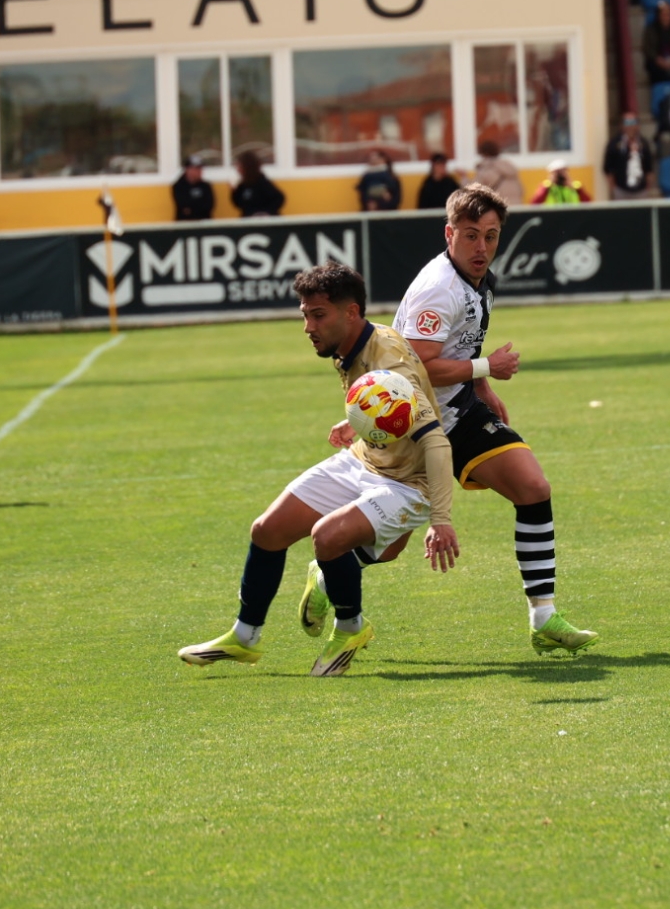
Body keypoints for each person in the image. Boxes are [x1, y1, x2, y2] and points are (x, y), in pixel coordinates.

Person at [178, 262, 461, 676]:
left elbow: (434, 439)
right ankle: (245, 636)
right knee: (267, 530)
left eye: (318, 315)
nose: (308, 327)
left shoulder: (388, 360)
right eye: (305, 315)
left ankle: (350, 628)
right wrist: (358, 421)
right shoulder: (348, 344)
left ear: (351, 312)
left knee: (327, 538)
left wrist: (441, 520)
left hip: (409, 483)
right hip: (365, 459)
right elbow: (390, 404)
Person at [386, 186, 597, 654]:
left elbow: (464, 341)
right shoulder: (438, 289)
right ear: (449, 234)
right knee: (387, 545)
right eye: (470, 235)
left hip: (459, 409)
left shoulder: (481, 279)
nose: (481, 247)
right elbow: (417, 368)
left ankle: (543, 618)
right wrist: (487, 369)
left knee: (533, 488)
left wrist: (482, 387)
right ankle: (329, 571)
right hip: (415, 422)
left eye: (491, 236)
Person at [603, 114, 654, 200]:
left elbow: (649, 169)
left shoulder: (644, 144)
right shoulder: (614, 144)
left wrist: (648, 187)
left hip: (641, 191)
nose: (630, 126)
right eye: (627, 123)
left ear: (637, 125)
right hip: (621, 190)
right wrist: (614, 188)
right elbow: (608, 169)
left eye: (632, 122)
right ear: (621, 125)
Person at [231, 150, 285, 216]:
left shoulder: (262, 183)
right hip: (248, 220)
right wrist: (233, 192)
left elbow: (279, 198)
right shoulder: (243, 185)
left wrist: (265, 213)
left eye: (239, 166)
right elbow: (239, 204)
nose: (238, 169)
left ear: (247, 167)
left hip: (264, 220)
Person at [474, 140, 524, 206]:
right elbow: (521, 190)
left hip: (500, 207)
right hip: (517, 206)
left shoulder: (486, 170)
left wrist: (464, 178)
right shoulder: (509, 167)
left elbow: (474, 189)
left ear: (483, 153)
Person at [172, 156, 214, 221]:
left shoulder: (206, 186)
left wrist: (193, 208)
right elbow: (184, 207)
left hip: (204, 223)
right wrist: (197, 206)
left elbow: (209, 206)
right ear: (188, 170)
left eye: (200, 169)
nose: (200, 171)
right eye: (196, 169)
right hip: (185, 223)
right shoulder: (179, 187)